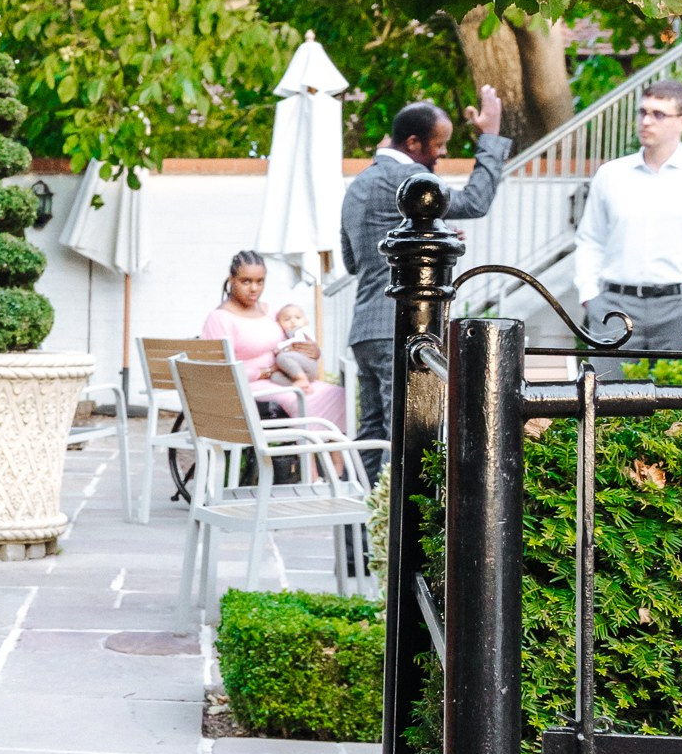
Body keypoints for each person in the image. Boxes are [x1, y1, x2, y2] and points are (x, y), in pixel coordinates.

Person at [338, 87, 509, 470]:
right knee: (405, 435)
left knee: (373, 436)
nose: (443, 154)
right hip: (398, 327)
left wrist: (427, 242)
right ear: (413, 142)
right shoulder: (410, 177)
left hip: (364, 329)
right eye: (440, 145)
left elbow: (353, 262)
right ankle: (398, 529)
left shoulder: (358, 184)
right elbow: (476, 202)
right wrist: (490, 136)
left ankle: (367, 527)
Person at [573, 76, 682, 357]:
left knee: (678, 396)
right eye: (643, 112)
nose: (646, 121)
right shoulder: (611, 175)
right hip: (613, 304)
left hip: (679, 305)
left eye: (658, 114)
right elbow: (590, 238)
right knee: (608, 395)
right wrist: (590, 295)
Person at [200, 249, 345, 430]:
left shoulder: (273, 312)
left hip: (286, 379)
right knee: (301, 399)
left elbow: (295, 337)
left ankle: (336, 458)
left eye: (259, 282)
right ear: (232, 279)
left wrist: (313, 351)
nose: (254, 288)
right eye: (246, 281)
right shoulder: (220, 318)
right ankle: (308, 458)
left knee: (336, 394)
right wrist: (266, 371)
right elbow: (217, 373)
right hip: (249, 387)